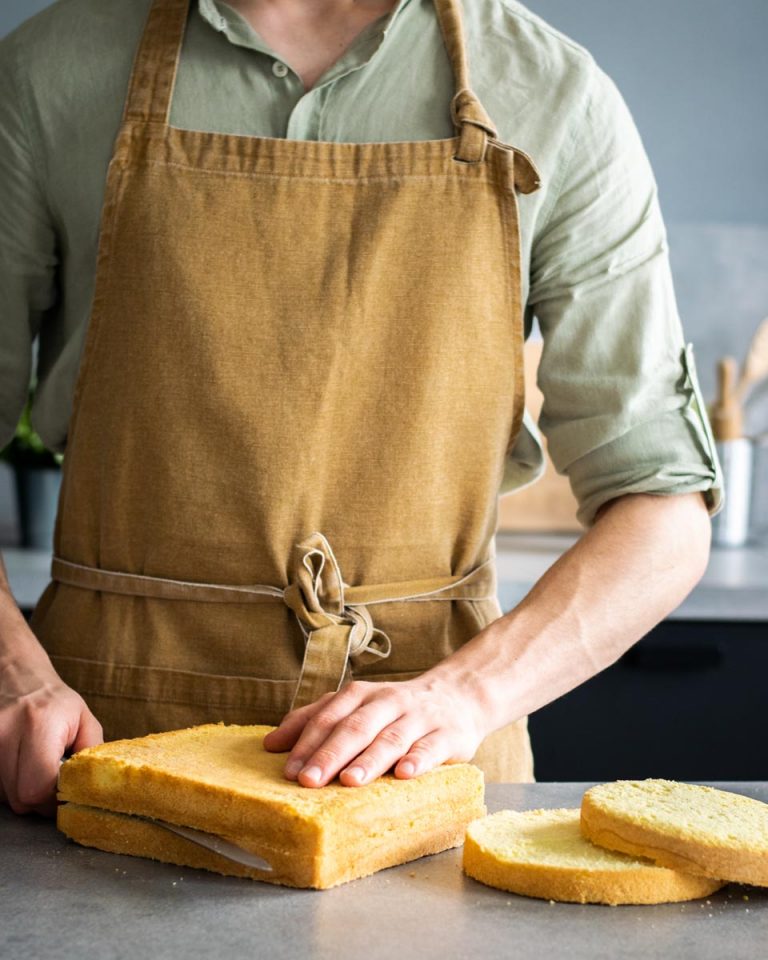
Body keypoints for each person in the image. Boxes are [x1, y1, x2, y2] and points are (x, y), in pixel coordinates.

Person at [0, 0, 721, 817]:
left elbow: (663, 509)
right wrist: (14, 678)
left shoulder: (554, 92)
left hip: (420, 782)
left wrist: (465, 696)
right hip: (103, 754)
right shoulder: (46, 72)